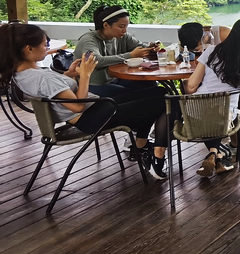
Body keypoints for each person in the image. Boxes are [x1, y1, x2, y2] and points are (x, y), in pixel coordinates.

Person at [2, 22, 169, 180]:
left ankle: (140, 146)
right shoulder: (41, 77)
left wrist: (69, 74)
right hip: (91, 117)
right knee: (164, 98)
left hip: (92, 111)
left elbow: (53, 90)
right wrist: (85, 75)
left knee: (155, 93)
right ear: (28, 49)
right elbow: (77, 105)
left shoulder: (22, 75)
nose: (47, 47)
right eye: (45, 44)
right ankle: (155, 154)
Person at [184, 18, 240, 177]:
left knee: (194, 110)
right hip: (225, 117)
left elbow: (191, 87)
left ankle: (215, 154)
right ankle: (221, 155)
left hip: (194, 115)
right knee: (219, 117)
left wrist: (185, 85)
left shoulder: (211, 51)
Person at [73, 5, 153, 96]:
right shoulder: (89, 40)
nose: (124, 30)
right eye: (121, 26)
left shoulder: (121, 36)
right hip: (92, 86)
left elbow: (140, 46)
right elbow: (97, 61)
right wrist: (130, 55)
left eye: (126, 26)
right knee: (138, 95)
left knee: (150, 85)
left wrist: (151, 48)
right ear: (106, 25)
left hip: (114, 79)